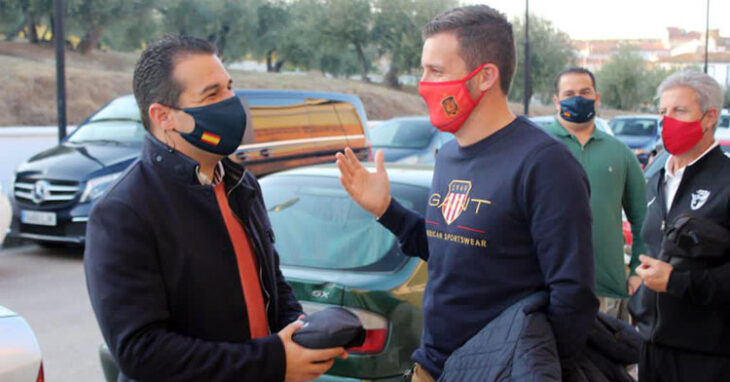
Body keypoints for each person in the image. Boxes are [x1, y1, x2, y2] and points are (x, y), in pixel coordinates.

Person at [336, 6, 598, 381]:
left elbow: (573, 296)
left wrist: (538, 370)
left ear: (485, 76)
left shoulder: (545, 165)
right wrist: (386, 210)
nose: (423, 84)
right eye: (424, 70)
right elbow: (449, 252)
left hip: (501, 371)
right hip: (433, 366)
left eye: (436, 71)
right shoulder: (450, 155)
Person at [84, 35, 346, 382]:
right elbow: (142, 352)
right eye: (212, 94)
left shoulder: (241, 184)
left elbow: (271, 282)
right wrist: (272, 361)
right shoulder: (122, 212)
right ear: (164, 116)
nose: (231, 102)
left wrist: (299, 334)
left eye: (229, 87)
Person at [629, 70, 730, 381]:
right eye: (663, 111)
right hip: (651, 350)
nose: (667, 120)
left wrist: (676, 282)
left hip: (709, 357)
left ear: (709, 117)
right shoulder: (656, 180)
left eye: (680, 111)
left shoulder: (725, 181)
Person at [545, 67, 647, 320]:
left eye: (584, 92)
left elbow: (643, 218)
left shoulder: (620, 152)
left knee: (611, 360)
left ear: (597, 98)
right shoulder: (538, 147)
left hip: (609, 290)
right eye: (569, 93)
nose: (577, 98)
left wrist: (637, 269)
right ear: (556, 101)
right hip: (548, 291)